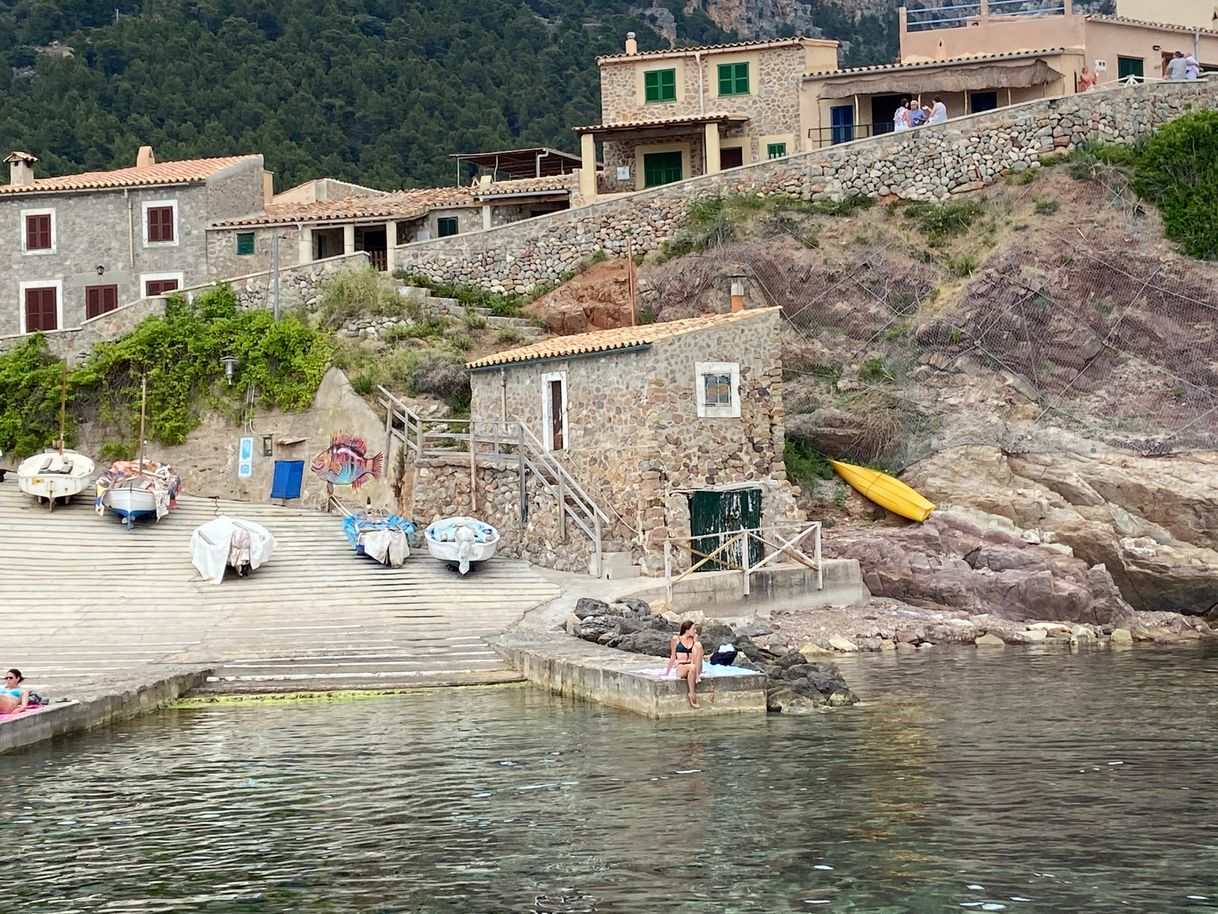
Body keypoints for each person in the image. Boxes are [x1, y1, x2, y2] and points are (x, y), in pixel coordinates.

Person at [664, 621, 705, 708]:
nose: (695, 631)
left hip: (694, 665)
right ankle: (692, 693)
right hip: (682, 667)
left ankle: (696, 675)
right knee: (692, 667)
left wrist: (695, 641)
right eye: (693, 629)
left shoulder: (694, 639)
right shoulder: (676, 639)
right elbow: (673, 657)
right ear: (687, 630)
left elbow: (697, 655)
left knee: (698, 645)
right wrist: (667, 672)